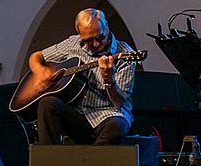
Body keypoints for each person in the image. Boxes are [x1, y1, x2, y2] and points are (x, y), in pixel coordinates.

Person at [32, 9, 136, 145]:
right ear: (79, 35)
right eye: (88, 40)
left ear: (107, 28)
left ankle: (90, 164)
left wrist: (109, 80)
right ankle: (47, 162)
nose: (96, 44)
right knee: (47, 104)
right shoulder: (73, 44)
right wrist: (41, 72)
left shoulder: (125, 54)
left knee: (117, 127)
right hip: (78, 114)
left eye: (100, 37)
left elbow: (119, 102)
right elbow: (36, 57)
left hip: (109, 114)